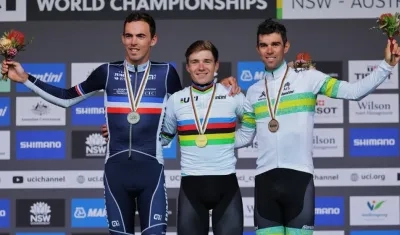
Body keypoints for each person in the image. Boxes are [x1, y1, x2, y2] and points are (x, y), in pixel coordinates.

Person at [1, 12, 239, 235]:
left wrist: (223, 85)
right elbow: (66, 98)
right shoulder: (106, 72)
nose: (133, 42)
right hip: (116, 174)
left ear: (153, 40)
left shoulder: (166, 73)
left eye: (140, 36)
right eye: (129, 35)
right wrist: (25, 79)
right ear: (122, 38)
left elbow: (192, 108)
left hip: (151, 174)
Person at [234, 18, 400, 235]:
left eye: (275, 44)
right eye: (264, 45)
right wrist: (204, 139)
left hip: (299, 180)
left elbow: (354, 92)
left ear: (286, 46)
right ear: (257, 49)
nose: (269, 50)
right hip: (265, 182)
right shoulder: (254, 91)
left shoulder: (308, 78)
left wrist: (386, 66)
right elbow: (245, 136)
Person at [160, 40, 245, 235]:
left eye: (207, 61)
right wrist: (125, 133)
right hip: (191, 189)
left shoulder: (233, 95)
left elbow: (251, 123)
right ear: (188, 67)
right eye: (195, 62)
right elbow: (164, 137)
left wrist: (234, 141)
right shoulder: (176, 100)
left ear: (216, 65)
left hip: (227, 187)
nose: (201, 67)